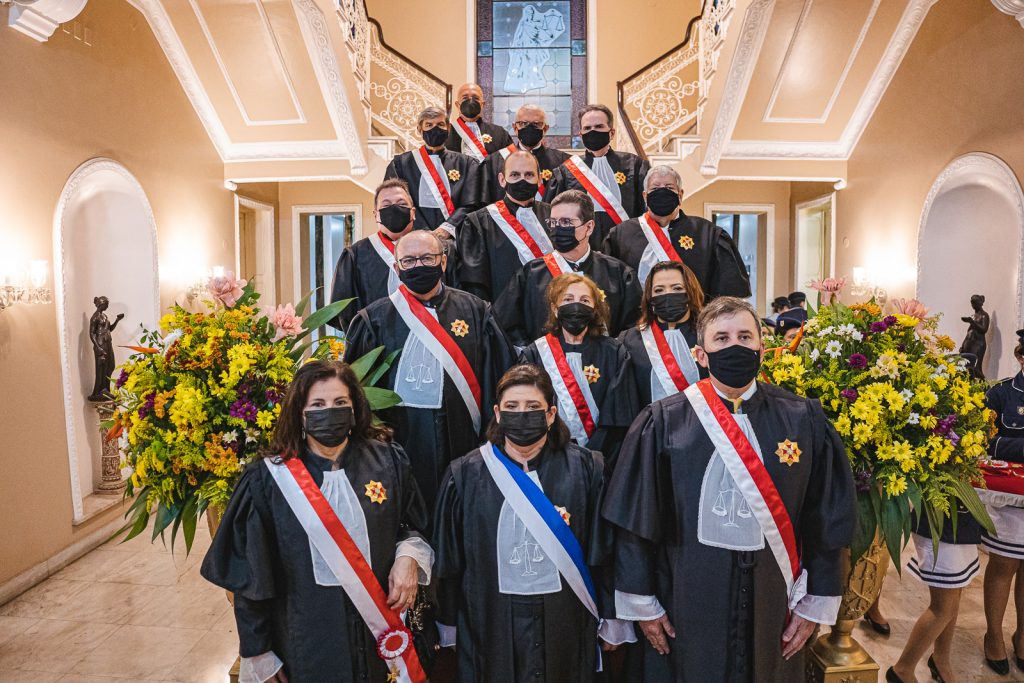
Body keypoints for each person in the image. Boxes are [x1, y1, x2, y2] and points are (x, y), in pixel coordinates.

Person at [602, 296, 856, 681]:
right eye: (721, 339)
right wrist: (643, 603)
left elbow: (827, 517)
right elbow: (636, 522)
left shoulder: (802, 418)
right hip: (688, 597)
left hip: (775, 599)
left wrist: (816, 601)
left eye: (744, 336)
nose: (734, 346)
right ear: (701, 355)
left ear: (761, 347)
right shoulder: (665, 422)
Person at [200, 360, 435, 683]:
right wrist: (259, 652)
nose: (330, 412)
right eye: (318, 405)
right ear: (300, 412)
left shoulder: (388, 461)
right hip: (307, 638)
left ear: (355, 408)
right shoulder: (268, 480)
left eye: (340, 403)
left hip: (381, 633)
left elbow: (413, 524)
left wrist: (409, 557)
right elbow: (251, 577)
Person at [433, 364, 635, 682]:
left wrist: (612, 616)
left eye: (533, 407)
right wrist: (447, 622)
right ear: (497, 413)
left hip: (566, 620)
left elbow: (605, 550)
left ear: (551, 414)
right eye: (512, 407)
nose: (522, 415)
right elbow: (450, 559)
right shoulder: (465, 475)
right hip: (492, 620)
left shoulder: (587, 469)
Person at [344, 231, 515, 508]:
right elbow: (358, 391)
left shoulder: (475, 310)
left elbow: (501, 374)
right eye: (409, 261)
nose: (418, 266)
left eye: (427, 258)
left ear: (443, 262)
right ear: (396, 268)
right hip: (402, 439)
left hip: (464, 437)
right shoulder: (373, 320)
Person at [494, 190, 641, 347]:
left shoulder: (618, 274)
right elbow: (507, 324)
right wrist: (534, 355)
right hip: (548, 365)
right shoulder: (530, 274)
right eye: (553, 223)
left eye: (566, 222)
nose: (557, 229)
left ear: (589, 227)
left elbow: (632, 329)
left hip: (601, 366)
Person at [518, 273, 638, 460]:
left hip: (602, 457)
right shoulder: (535, 353)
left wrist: (592, 455)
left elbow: (618, 414)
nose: (576, 305)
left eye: (584, 300)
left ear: (594, 309)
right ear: (555, 309)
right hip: (546, 455)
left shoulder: (614, 352)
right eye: (568, 299)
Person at [602, 165, 751, 300]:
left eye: (669, 187)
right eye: (654, 189)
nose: (662, 191)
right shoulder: (621, 235)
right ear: (645, 196)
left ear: (680, 195)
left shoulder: (708, 234)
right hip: (640, 325)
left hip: (694, 324)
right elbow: (610, 286)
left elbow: (728, 292)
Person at [889, 509, 981, 682]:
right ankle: (903, 669)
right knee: (943, 607)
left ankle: (941, 659)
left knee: (954, 593)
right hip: (936, 518)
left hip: (962, 516)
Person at [547, 104, 649, 250]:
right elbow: (554, 215)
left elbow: (645, 210)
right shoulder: (566, 171)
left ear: (611, 132)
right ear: (581, 134)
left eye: (599, 126)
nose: (593, 132)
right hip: (580, 248)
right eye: (587, 128)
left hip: (626, 246)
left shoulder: (635, 165)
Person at [981, 329, 1024, 676]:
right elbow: (986, 442)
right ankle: (993, 635)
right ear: (1021, 356)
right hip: (1009, 500)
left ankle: (1022, 635)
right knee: (1004, 566)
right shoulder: (1002, 393)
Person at [456, 151, 553, 302]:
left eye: (529, 175)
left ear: (539, 180)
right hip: (503, 314)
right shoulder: (478, 223)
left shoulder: (554, 215)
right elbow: (475, 284)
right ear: (502, 180)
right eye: (515, 175)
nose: (522, 180)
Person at [618, 261, 707, 409]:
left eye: (677, 288)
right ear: (649, 297)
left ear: (690, 292)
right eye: (659, 290)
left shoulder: (708, 336)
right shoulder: (629, 340)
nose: (668, 295)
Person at [385, 106, 482, 240]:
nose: (435, 129)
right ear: (420, 129)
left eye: (440, 124)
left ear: (448, 129)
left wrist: (447, 228)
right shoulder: (400, 165)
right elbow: (395, 204)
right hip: (413, 239)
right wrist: (421, 231)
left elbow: (472, 203)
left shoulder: (466, 164)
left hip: (454, 240)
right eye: (429, 125)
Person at [330, 179, 415, 330]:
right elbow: (344, 313)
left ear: (413, 212)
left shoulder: (432, 250)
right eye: (386, 205)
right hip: (376, 345)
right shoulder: (354, 256)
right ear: (376, 215)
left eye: (401, 204)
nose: (394, 209)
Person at [480, 104, 570, 205]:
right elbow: (485, 202)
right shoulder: (493, 162)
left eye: (536, 124)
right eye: (523, 123)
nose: (530, 127)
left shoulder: (564, 162)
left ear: (545, 129)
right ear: (515, 127)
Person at [445, 83, 513, 162]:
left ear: (482, 104)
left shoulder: (500, 133)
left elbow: (511, 162)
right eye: (465, 98)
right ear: (457, 105)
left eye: (475, 98)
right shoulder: (446, 133)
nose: (470, 101)